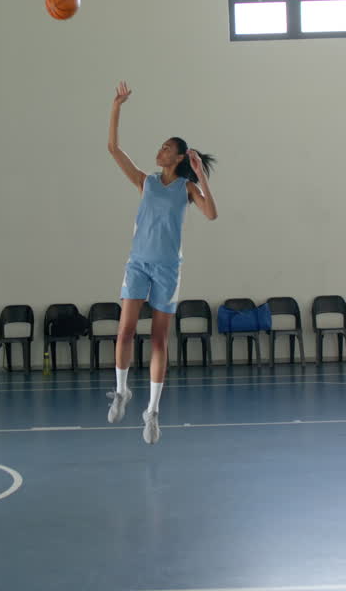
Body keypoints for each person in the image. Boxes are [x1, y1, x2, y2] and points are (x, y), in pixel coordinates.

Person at [105, 81, 218, 444]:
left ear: (180, 157)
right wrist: (117, 106)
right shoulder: (146, 182)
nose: (160, 150)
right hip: (138, 263)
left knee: (158, 340)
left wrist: (200, 176)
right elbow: (113, 148)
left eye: (167, 148)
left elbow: (212, 215)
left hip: (168, 268)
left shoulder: (186, 189)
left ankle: (152, 411)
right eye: (161, 146)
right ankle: (122, 391)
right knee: (124, 331)